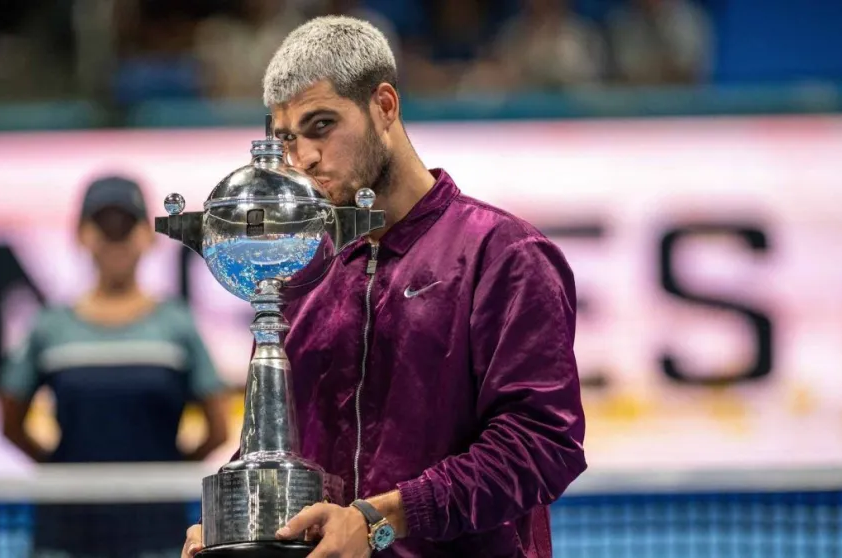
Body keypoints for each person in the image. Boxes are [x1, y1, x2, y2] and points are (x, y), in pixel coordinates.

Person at [182, 15, 587, 558]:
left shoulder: (504, 255)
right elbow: (277, 451)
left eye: (321, 125)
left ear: (385, 106)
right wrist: (236, 524)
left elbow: (542, 444)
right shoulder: (299, 276)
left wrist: (380, 518)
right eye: (285, 139)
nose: (302, 159)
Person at [0, 175, 230, 558]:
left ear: (147, 235)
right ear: (82, 234)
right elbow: (9, 419)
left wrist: (163, 471)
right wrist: (61, 469)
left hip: (156, 529)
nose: (115, 238)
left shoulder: (177, 325)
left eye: (126, 224)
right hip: (66, 530)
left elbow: (217, 427)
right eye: (104, 225)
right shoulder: (50, 327)